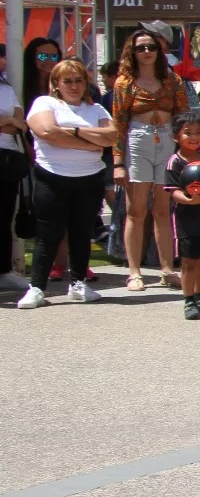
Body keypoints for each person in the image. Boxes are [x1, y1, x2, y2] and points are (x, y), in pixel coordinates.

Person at [16, 60, 116, 309]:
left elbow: (112, 137)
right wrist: (89, 140)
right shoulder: (45, 103)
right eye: (67, 81)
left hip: (89, 179)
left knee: (82, 234)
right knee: (48, 235)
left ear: (86, 84)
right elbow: (47, 131)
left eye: (79, 80)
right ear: (56, 84)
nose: (73, 86)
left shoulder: (97, 111)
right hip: (52, 177)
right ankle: (37, 287)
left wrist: (70, 132)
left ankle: (78, 283)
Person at [111, 28, 191, 291]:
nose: (147, 52)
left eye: (151, 47)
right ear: (132, 53)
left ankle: (167, 269)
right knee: (136, 210)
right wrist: (118, 162)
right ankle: (134, 272)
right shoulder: (124, 82)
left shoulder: (172, 80)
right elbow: (119, 124)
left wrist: (186, 152)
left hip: (167, 138)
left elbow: (183, 116)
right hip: (138, 139)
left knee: (163, 209)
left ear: (160, 50)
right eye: (141, 48)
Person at [164, 113, 200, 320]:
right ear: (176, 136)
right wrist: (190, 200)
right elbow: (174, 192)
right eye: (187, 133)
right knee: (188, 261)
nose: (194, 137)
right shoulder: (175, 162)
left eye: (198, 132)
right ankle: (188, 300)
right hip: (185, 219)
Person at [0, 43, 28, 292]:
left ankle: (3, 270)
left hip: (7, 157)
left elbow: (21, 123)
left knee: (5, 215)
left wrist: (8, 121)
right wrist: (9, 120)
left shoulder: (8, 90)